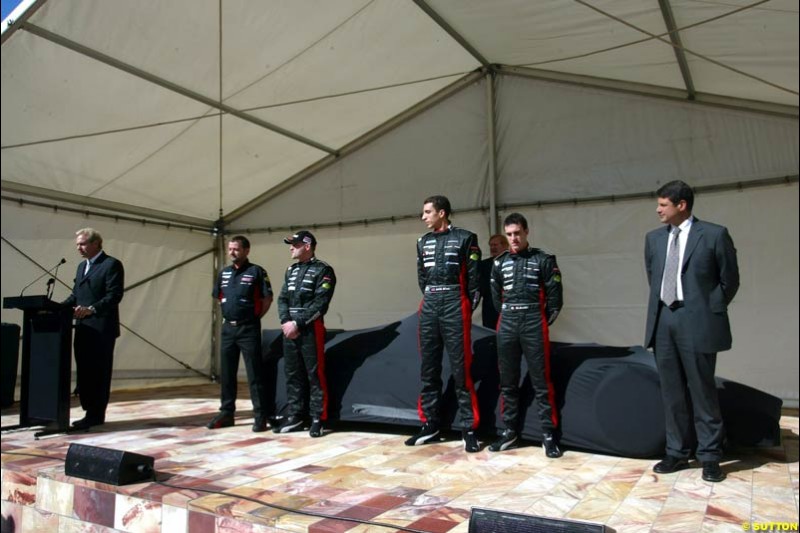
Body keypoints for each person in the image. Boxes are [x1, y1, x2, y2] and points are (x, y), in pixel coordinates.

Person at [645, 180, 739, 483]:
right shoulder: (654, 239)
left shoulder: (713, 235)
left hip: (696, 320)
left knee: (702, 390)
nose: (658, 210)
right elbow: (653, 276)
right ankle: (676, 451)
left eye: (663, 204)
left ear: (681, 205)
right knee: (671, 392)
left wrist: (708, 308)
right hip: (664, 320)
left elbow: (730, 280)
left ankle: (710, 456)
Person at [406, 195, 482, 452]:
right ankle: (430, 424)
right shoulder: (422, 242)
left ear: (442, 213)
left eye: (427, 212)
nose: (423, 216)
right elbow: (421, 278)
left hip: (454, 302)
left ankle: (469, 427)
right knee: (429, 368)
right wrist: (432, 296)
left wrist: (464, 307)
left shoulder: (466, 238)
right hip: (430, 303)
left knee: (461, 369)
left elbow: (474, 283)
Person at [488, 213, 564, 457]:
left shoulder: (544, 259)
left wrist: (540, 320)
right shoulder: (498, 263)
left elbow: (555, 300)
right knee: (507, 381)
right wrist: (510, 315)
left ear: (526, 232)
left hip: (533, 322)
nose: (513, 238)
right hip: (508, 322)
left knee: (542, 382)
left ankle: (549, 435)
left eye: (517, 233)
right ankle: (509, 431)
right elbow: (495, 299)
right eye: (509, 234)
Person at [207, 235, 273, 432]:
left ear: (246, 251)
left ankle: (260, 416)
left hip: (248, 329)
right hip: (228, 329)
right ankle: (227, 413)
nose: (231, 252)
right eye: (229, 249)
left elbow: (267, 299)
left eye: (236, 249)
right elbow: (219, 297)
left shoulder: (257, 272)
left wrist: (253, 318)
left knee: (254, 374)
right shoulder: (224, 273)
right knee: (227, 374)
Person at [274, 230, 336, 438]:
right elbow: (282, 298)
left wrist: (297, 323)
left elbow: (321, 303)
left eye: (295, 244)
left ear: (307, 246)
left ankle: (318, 418)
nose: (291, 247)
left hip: (311, 328)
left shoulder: (324, 270)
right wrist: (285, 322)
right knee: (292, 373)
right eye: (290, 244)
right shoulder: (290, 270)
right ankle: (295, 415)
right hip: (289, 329)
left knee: (314, 374)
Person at [62, 228, 125, 430]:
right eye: (77, 245)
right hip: (83, 329)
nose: (78, 248)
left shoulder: (111, 264)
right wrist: (57, 308)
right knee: (84, 372)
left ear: (96, 243)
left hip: (101, 329)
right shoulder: (82, 267)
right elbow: (76, 295)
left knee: (98, 373)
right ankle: (88, 410)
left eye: (82, 244)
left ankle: (96, 414)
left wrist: (91, 309)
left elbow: (114, 295)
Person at [479, 234, 509, 328]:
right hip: (489, 307)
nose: (492, 248)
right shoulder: (483, 265)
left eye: (495, 245)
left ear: (505, 245)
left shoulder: (514, 262)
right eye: (491, 245)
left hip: (508, 306)